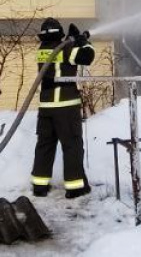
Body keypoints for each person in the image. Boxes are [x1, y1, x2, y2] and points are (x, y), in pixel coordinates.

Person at [30, 18, 96, 198]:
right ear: (59, 34)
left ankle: (39, 186)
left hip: (46, 108)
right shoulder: (66, 49)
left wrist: (71, 39)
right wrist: (82, 41)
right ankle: (75, 188)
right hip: (65, 107)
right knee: (72, 145)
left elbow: (58, 59)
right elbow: (87, 56)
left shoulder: (42, 50)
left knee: (45, 145)